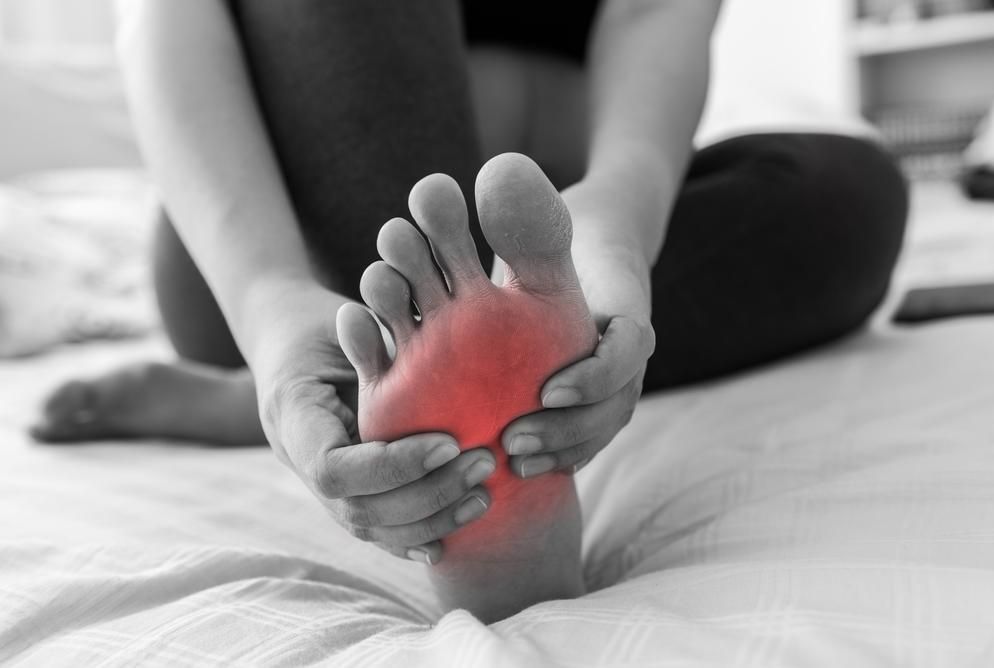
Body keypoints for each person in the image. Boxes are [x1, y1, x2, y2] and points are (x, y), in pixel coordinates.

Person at [32, 0, 908, 621]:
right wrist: (267, 302)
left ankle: (446, 378)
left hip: (548, 236)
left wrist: (618, 223)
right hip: (274, 242)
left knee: (850, 194)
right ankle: (447, 446)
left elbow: (655, 15)